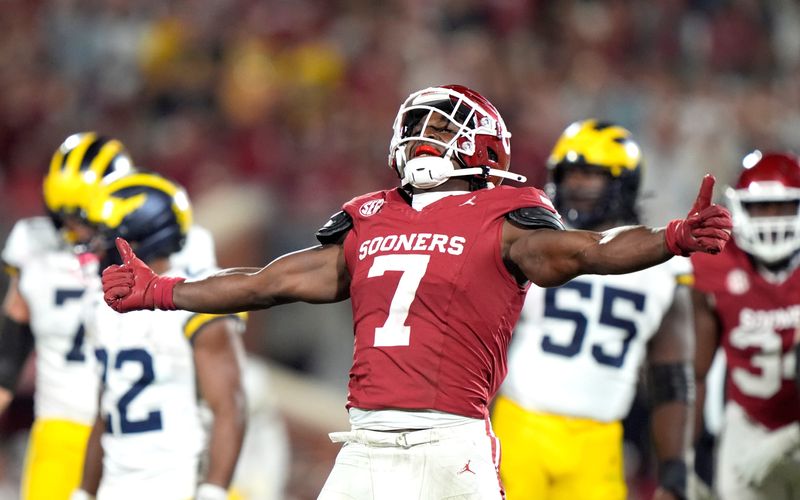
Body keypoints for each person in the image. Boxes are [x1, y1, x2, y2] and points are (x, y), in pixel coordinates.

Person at [101, 84, 732, 500]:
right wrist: (162, 290)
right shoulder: (371, 215)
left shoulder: (505, 214)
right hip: (367, 442)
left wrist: (672, 236)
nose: (424, 134)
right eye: (422, 124)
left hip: (449, 440)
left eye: (442, 125)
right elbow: (268, 282)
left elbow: (586, 251)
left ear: (481, 142)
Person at [491, 119, 694, 500]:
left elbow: (671, 376)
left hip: (599, 443)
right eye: (570, 174)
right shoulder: (534, 240)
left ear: (623, 182)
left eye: (591, 174)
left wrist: (673, 468)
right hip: (520, 428)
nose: (577, 185)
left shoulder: (665, 266)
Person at [70, 172, 248, 500]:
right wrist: (85, 491)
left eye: (104, 235)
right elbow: (106, 407)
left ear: (138, 240)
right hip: (116, 481)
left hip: (178, 480)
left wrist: (213, 490)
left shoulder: (197, 298)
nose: (95, 244)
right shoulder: (101, 304)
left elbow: (230, 405)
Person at [0, 132, 135, 500]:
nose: (74, 227)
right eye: (66, 214)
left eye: (84, 217)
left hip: (132, 435)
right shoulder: (32, 242)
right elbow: (8, 356)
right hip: (61, 426)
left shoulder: (141, 254)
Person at [692, 150, 800, 500]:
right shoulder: (715, 263)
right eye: (761, 208)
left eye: (781, 208)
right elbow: (696, 371)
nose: (771, 220)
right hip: (748, 420)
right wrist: (691, 452)